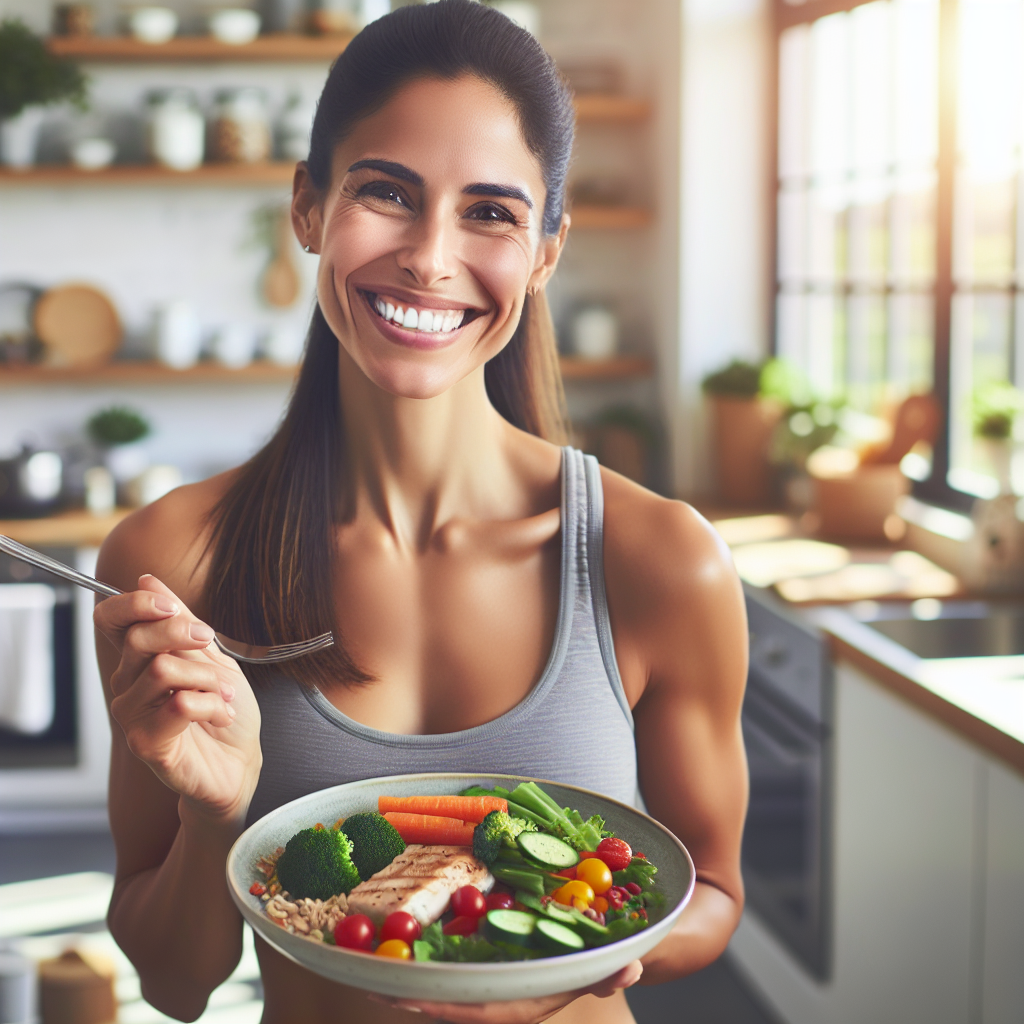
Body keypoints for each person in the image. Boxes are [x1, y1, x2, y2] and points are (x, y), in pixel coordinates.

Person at [92, 3, 749, 1021]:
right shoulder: (173, 559)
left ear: (543, 255)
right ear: (307, 207)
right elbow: (175, 986)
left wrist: (611, 954)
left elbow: (710, 889)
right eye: (387, 193)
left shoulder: (657, 557)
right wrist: (218, 813)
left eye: (490, 212)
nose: (430, 257)